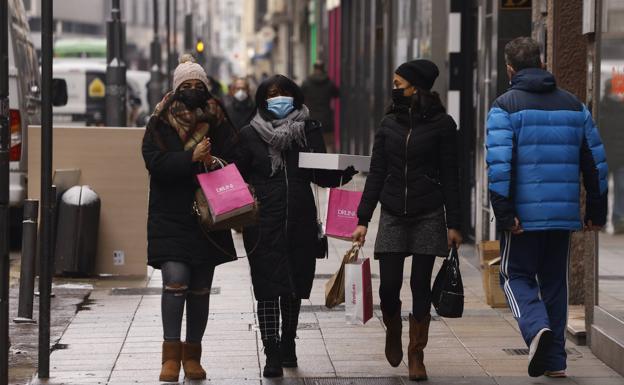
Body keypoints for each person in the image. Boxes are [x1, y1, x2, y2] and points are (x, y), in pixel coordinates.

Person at [485, 37, 608, 378]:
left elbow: (499, 166)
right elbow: (596, 163)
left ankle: (536, 327)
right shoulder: (574, 106)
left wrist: (505, 213)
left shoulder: (504, 107)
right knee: (555, 283)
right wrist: (596, 211)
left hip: (524, 218)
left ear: (510, 69)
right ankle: (554, 363)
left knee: (514, 275)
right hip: (562, 216)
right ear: (542, 63)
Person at [235, 74, 356, 378]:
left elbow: (320, 172)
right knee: (266, 288)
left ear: (296, 97)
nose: (279, 98)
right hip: (263, 223)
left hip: (301, 220)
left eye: (284, 92)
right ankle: (271, 351)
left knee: (293, 286)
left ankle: (288, 342)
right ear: (262, 99)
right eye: (272, 93)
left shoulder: (308, 130)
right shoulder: (249, 134)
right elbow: (237, 176)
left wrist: (346, 173)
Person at [352, 59, 462, 381]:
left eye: (399, 82)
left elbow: (452, 176)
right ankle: (393, 326)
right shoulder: (388, 124)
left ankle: (417, 352)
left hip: (428, 212)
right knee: (388, 287)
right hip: (392, 214)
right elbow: (377, 174)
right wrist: (363, 219)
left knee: (420, 286)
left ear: (416, 86)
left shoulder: (443, 125)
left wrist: (454, 223)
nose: (395, 87)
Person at [142, 54, 238, 382]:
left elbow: (236, 156)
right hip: (170, 214)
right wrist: (189, 159)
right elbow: (154, 162)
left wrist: (213, 161)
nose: (193, 89)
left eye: (199, 84)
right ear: (175, 88)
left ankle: (193, 354)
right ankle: (170, 356)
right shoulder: (159, 120)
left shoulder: (219, 116)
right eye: (187, 85)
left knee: (200, 288)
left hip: (208, 216)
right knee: (175, 281)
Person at [599, 79, 624, 233]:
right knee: (612, 188)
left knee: (616, 187)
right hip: (610, 153)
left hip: (614, 154)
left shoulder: (601, 107)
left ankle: (616, 218)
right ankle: (614, 218)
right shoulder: (601, 107)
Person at [301, 61, 339, 152]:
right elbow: (337, 94)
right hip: (326, 119)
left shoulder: (306, 83)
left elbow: (300, 97)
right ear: (323, 69)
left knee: (311, 144)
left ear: (314, 69)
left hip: (311, 118)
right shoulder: (329, 83)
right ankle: (328, 164)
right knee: (328, 145)